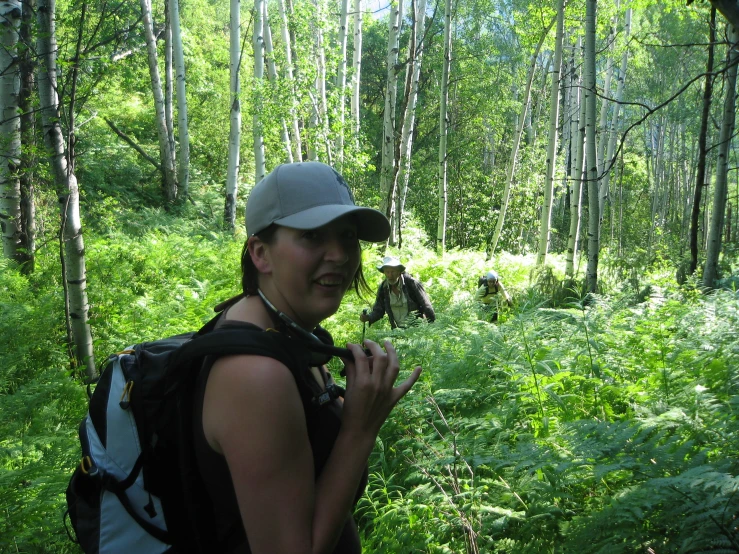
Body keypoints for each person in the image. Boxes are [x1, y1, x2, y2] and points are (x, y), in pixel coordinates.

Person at [193, 161, 422, 553]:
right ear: (261, 253)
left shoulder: (290, 334)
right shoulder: (254, 374)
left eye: (347, 236)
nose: (339, 254)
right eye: (312, 236)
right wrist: (359, 428)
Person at [359, 256, 436, 329]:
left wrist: (432, 326)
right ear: (384, 273)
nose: (390, 275)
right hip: (396, 331)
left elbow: (426, 305)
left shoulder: (412, 283)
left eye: (393, 271)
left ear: (399, 272)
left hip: (416, 330)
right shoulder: (383, 288)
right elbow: (379, 310)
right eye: (387, 272)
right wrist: (369, 317)